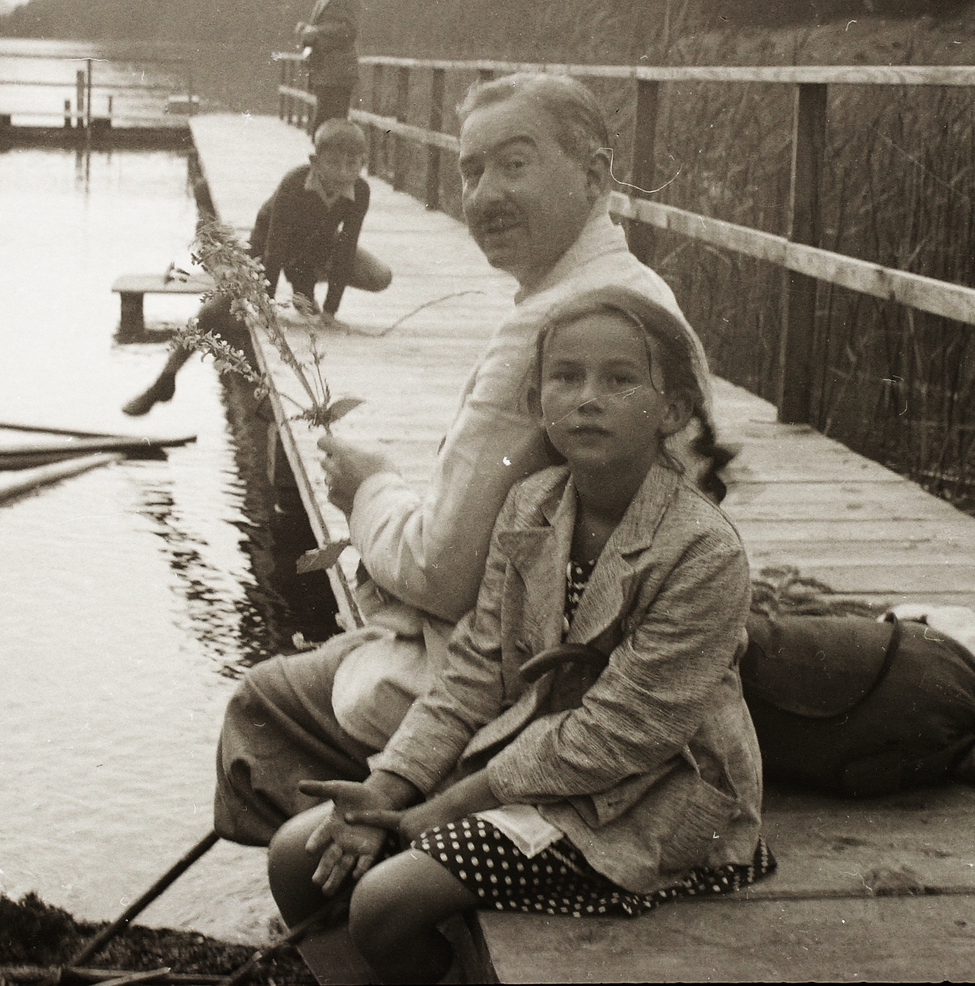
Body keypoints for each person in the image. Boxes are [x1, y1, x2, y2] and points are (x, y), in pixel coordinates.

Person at [214, 72, 729, 843]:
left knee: (260, 704)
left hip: (539, 684)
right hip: (597, 643)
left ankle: (354, 892)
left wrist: (370, 486)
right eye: (471, 170)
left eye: (513, 165)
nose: (484, 194)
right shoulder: (634, 286)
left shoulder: (549, 330)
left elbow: (442, 574)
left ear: (595, 175)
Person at [267, 287, 771, 985]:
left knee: (386, 901)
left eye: (620, 379)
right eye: (565, 377)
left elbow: (617, 734)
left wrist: (441, 807)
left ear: (675, 409)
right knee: (296, 855)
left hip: (652, 794)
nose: (586, 397)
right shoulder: (532, 505)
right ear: (538, 399)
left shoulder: (702, 551)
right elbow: (478, 666)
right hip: (533, 763)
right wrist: (388, 785)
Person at [121, 119, 391, 417]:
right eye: (334, 164)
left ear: (363, 164)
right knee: (213, 311)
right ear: (315, 162)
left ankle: (306, 290)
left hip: (313, 251)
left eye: (352, 165)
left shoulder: (359, 192)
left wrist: (330, 312)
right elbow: (274, 250)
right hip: (267, 249)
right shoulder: (294, 184)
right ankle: (164, 379)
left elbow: (346, 248)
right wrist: (264, 307)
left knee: (379, 275)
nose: (344, 173)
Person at [295, 0, 362, 131]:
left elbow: (349, 29)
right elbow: (329, 25)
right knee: (324, 129)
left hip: (338, 73)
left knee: (329, 129)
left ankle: (327, 161)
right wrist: (308, 28)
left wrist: (316, 31)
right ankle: (324, 160)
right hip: (325, 71)